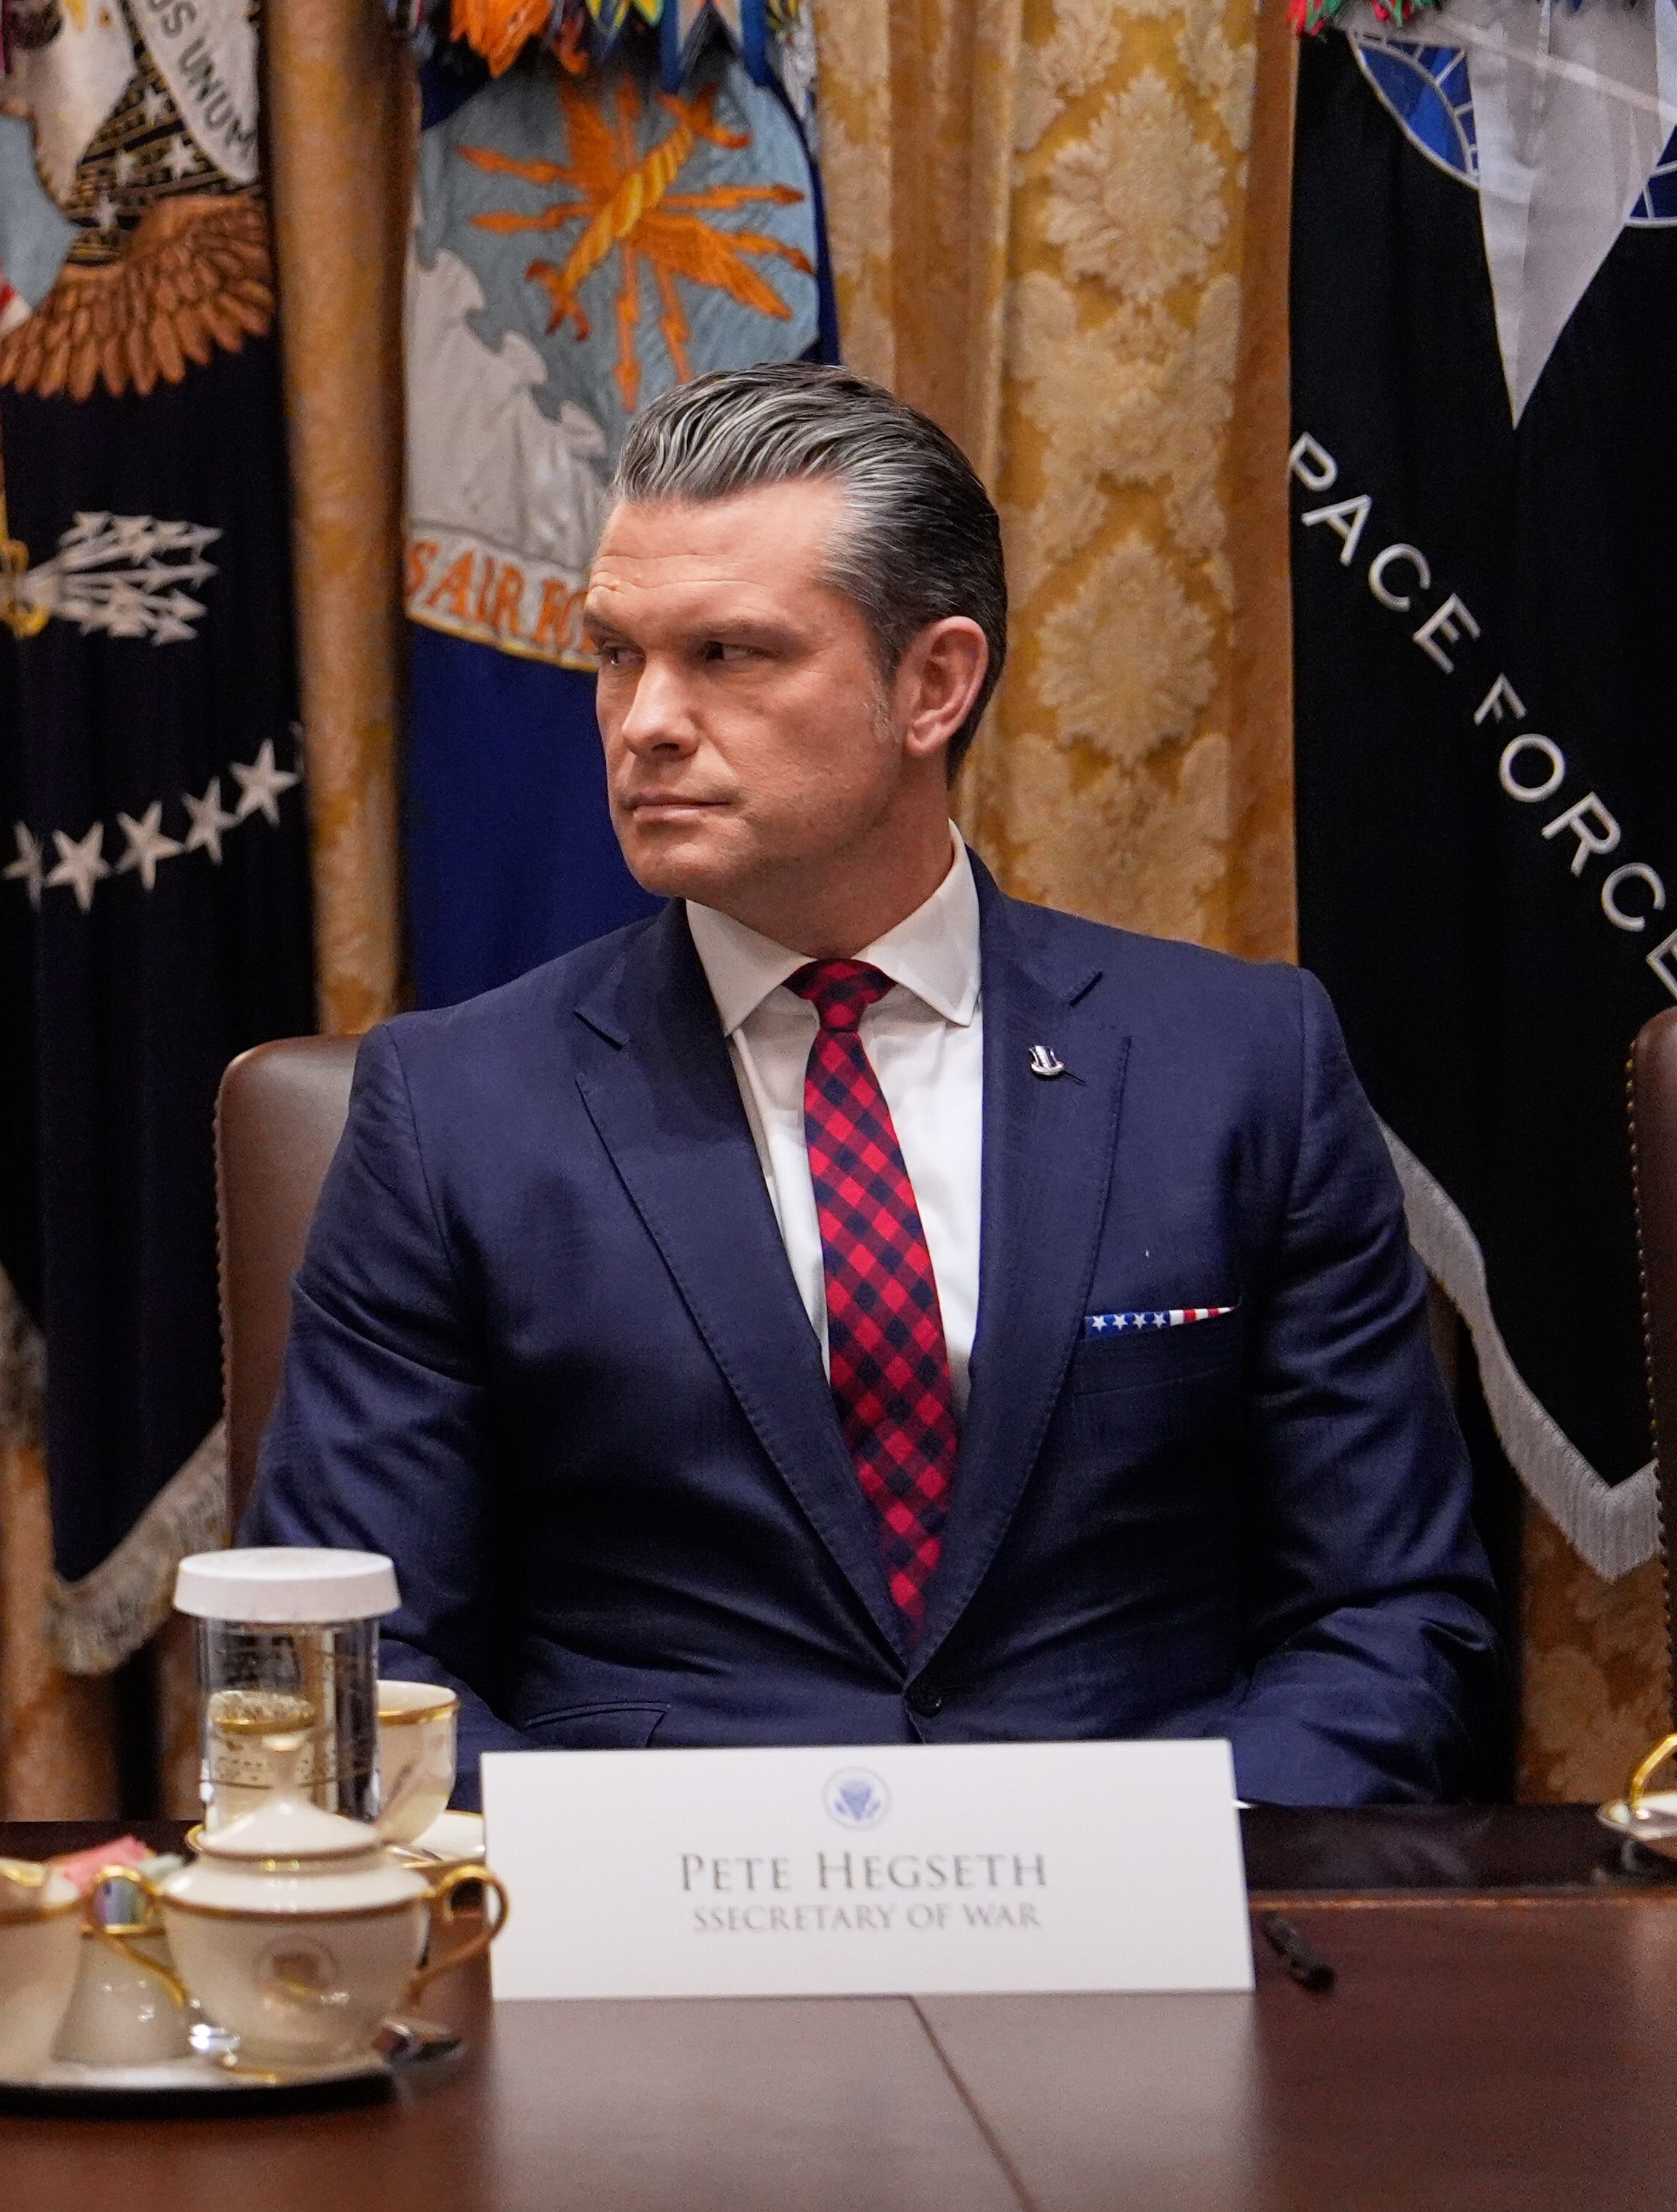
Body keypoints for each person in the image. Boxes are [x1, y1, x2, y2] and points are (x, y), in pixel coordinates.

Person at [248, 365, 1494, 1805]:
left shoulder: (1241, 1064)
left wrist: (1155, 1860)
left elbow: (1390, 1619)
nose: (646, 720)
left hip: (1150, 1896)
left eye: (729, 653)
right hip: (651, 1914)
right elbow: (354, 1658)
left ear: (933, 683)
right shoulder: (455, 1108)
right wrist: (614, 1882)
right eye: (618, 653)